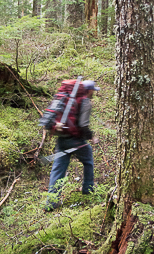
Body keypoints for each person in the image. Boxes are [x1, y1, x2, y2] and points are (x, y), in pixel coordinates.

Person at [45, 80, 100, 211]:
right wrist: (91, 137)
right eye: (93, 90)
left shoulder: (64, 98)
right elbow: (83, 125)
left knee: (58, 169)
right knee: (88, 160)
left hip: (61, 139)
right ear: (88, 90)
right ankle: (88, 188)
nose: (94, 93)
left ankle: (51, 203)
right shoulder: (85, 101)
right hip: (76, 140)